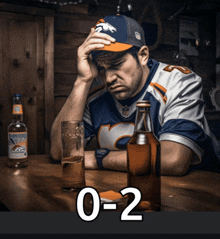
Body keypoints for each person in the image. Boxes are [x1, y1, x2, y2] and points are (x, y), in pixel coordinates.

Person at [50, 14, 220, 175]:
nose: (108, 78)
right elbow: (59, 151)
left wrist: (98, 158)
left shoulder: (179, 81)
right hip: (132, 187)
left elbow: (173, 159)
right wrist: (82, 80)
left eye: (116, 64)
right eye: (101, 68)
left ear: (143, 56)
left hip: (200, 193)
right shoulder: (95, 92)